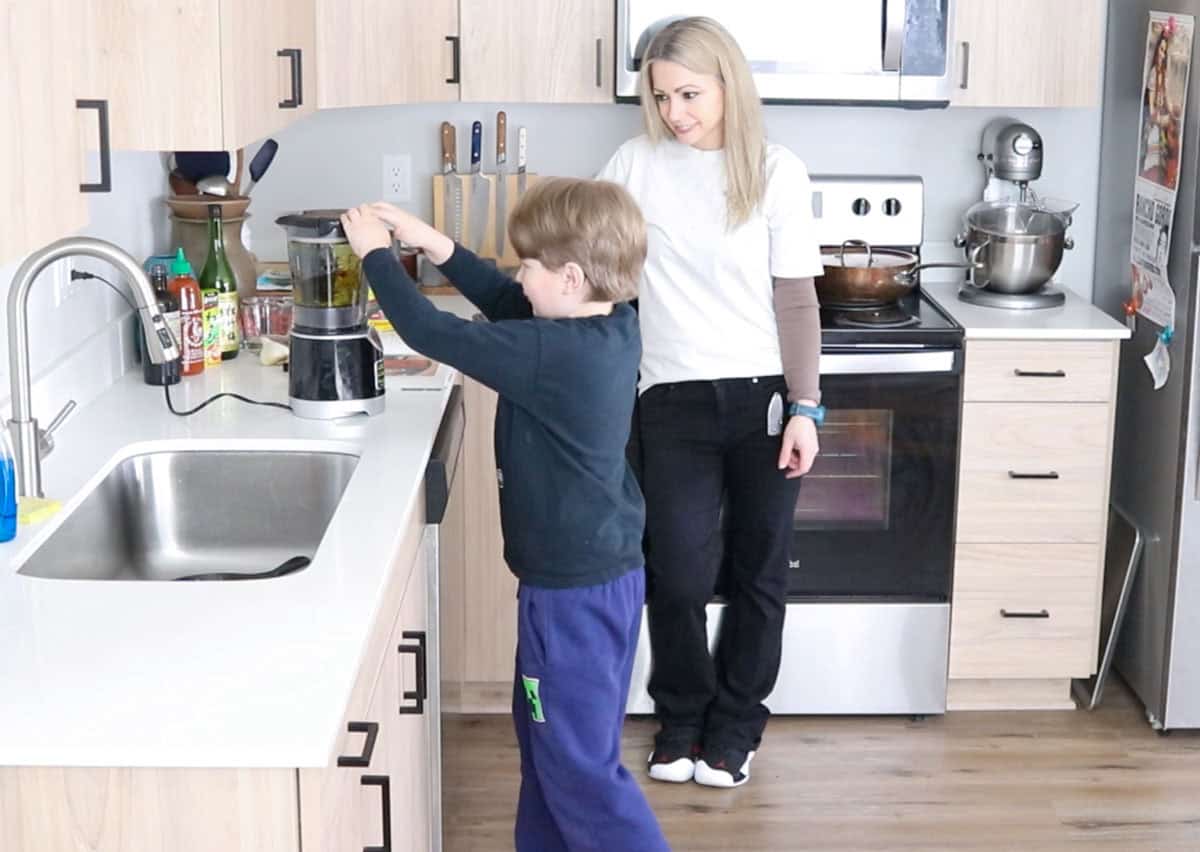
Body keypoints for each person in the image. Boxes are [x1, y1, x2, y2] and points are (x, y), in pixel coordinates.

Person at [339, 179, 670, 852]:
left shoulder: (554, 354)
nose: (519, 276)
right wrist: (435, 244)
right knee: (551, 749)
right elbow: (505, 300)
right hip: (591, 580)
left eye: (530, 264)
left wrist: (375, 254)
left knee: (579, 768)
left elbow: (429, 330)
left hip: (572, 596)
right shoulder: (604, 325)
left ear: (572, 278)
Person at [598, 16, 824, 790]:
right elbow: (601, 269)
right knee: (680, 574)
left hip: (762, 399)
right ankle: (682, 720)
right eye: (662, 97)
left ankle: (736, 725)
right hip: (667, 401)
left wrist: (806, 407)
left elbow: (796, 302)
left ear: (728, 84)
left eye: (689, 94)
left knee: (759, 571)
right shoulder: (634, 164)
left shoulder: (773, 170)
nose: (675, 113)